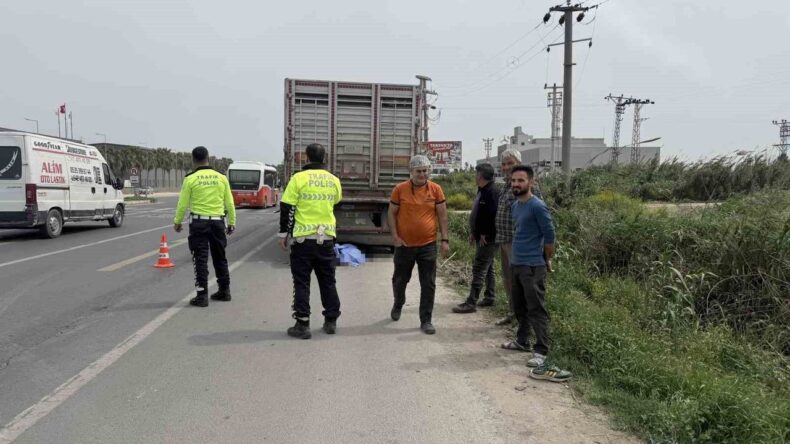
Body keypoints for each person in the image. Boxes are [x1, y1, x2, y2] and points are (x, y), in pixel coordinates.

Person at [509, 165, 571, 382]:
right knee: (519, 307)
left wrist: (547, 258)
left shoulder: (537, 206)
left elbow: (550, 235)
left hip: (533, 266)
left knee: (536, 308)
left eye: (521, 180)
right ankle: (521, 341)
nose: (516, 184)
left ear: (531, 182)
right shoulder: (515, 205)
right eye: (514, 180)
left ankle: (541, 352)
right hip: (516, 263)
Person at [278, 143, 343, 340]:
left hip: (303, 241)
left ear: (307, 157)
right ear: (324, 158)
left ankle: (302, 324)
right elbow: (336, 201)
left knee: (302, 282)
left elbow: (287, 207)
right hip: (326, 239)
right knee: (328, 281)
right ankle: (331, 321)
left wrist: (284, 234)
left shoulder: (298, 178)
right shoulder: (333, 180)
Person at [388, 155, 450, 334]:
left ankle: (426, 320)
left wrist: (444, 240)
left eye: (425, 171)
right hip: (404, 245)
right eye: (418, 171)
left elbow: (442, 216)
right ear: (411, 172)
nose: (422, 174)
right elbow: (391, 213)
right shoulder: (399, 189)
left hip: (428, 245)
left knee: (428, 283)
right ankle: (398, 302)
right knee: (400, 280)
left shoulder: (436, 189)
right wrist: (395, 237)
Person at [173, 146, 236, 307]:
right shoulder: (221, 178)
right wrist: (232, 222)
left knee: (200, 259)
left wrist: (178, 221)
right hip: (217, 223)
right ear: (208, 158)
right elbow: (229, 202)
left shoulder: (190, 179)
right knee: (220, 257)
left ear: (193, 160)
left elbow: (182, 204)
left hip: (198, 224)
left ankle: (202, 296)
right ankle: (225, 291)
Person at [494, 149, 541, 327]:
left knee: (522, 282)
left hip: (519, 242)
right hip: (504, 240)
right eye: (504, 164)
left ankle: (526, 322)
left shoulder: (529, 186)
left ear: (519, 164)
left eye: (510, 163)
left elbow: (539, 213)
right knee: (509, 280)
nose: (506, 167)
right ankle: (514, 313)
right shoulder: (506, 185)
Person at [453, 163, 499, 313]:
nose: (475, 176)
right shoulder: (483, 190)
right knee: (489, 267)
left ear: (480, 175)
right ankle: (490, 297)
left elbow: (492, 216)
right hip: (482, 235)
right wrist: (474, 232)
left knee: (479, 267)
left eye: (476, 174)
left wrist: (484, 233)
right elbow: (479, 214)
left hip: (488, 238)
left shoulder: (492, 192)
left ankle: (471, 302)